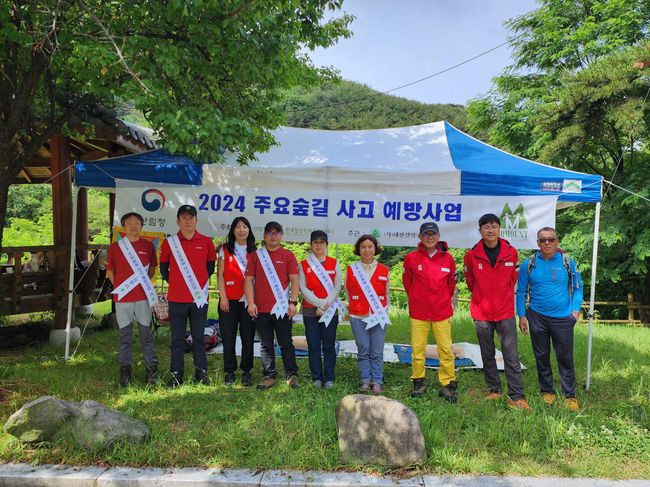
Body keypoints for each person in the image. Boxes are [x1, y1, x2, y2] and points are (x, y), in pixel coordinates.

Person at [464, 214, 530, 410]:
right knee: (487, 353)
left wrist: (501, 295)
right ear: (480, 231)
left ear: (499, 229)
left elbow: (513, 279)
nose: (490, 230)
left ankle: (517, 395)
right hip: (481, 313)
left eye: (494, 226)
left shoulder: (511, 252)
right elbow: (470, 281)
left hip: (505, 312)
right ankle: (495, 390)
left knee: (511, 354)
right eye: (486, 227)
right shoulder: (471, 255)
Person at [516, 227, 583, 411]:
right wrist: (522, 315)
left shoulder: (568, 262)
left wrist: (575, 312)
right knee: (541, 356)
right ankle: (547, 391)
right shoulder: (528, 264)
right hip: (537, 316)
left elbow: (578, 288)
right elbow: (521, 291)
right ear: (537, 243)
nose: (547, 243)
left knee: (565, 358)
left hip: (563, 318)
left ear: (557, 241)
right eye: (543, 240)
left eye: (550, 239)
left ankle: (569, 395)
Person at [159, 205, 216, 387]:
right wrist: (178, 284)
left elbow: (210, 269)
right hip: (176, 299)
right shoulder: (169, 243)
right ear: (178, 221)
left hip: (199, 299)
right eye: (184, 218)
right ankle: (177, 374)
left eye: (191, 218)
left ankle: (201, 373)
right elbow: (163, 270)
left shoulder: (207, 242)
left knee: (198, 337)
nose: (188, 221)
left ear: (196, 221)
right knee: (177, 338)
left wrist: (196, 287)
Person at [402, 222, 457, 402]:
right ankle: (419, 382)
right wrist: (418, 299)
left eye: (433, 234)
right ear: (420, 237)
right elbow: (407, 283)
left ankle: (447, 384)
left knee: (446, 349)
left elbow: (450, 285)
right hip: (418, 313)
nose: (430, 237)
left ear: (439, 237)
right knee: (417, 350)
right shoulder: (411, 258)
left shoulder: (448, 259)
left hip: (441, 312)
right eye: (426, 234)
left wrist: (439, 300)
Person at [245, 221, 300, 390]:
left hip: (283, 309)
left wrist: (293, 302)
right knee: (265, 344)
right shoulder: (256, 256)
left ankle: (291, 374)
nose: (273, 236)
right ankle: (269, 375)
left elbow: (294, 280)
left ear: (281, 236)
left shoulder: (288, 255)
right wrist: (251, 303)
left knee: (286, 342)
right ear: (264, 236)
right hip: (261, 309)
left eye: (277, 233)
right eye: (269, 232)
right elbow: (248, 280)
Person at [106, 212, 159, 387]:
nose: (133, 226)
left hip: (142, 297)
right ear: (123, 227)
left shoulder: (148, 246)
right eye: (129, 223)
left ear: (141, 226)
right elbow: (110, 271)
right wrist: (121, 287)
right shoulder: (115, 247)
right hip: (123, 298)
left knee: (146, 335)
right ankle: (125, 371)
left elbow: (152, 269)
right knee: (125, 335)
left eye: (137, 223)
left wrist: (142, 285)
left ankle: (152, 370)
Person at [344, 234, 391, 394]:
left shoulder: (384, 270)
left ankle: (377, 380)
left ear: (375, 248)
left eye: (370, 246)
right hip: (358, 317)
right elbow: (348, 293)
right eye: (363, 247)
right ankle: (365, 379)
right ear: (359, 249)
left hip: (378, 317)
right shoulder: (351, 269)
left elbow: (387, 295)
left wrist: (383, 312)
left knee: (377, 350)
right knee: (363, 348)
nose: (367, 250)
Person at [298, 230, 343, 389]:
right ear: (311, 245)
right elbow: (302, 288)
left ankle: (329, 377)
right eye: (315, 242)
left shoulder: (334, 263)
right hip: (311, 311)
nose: (318, 245)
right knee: (314, 345)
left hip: (330, 311)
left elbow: (337, 286)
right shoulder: (304, 264)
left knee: (329, 345)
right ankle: (316, 377)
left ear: (326, 245)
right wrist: (319, 304)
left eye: (321, 242)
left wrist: (325, 305)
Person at [217, 217, 257, 386]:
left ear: (249, 230)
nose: (242, 230)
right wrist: (223, 297)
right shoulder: (225, 249)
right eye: (238, 227)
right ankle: (230, 371)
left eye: (245, 227)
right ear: (233, 230)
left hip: (249, 301)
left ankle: (246, 371)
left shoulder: (255, 251)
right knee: (228, 337)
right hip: (229, 300)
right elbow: (220, 274)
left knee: (248, 337)